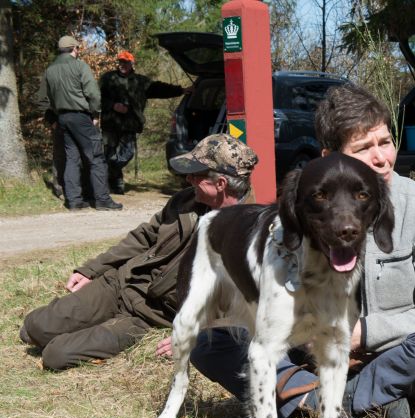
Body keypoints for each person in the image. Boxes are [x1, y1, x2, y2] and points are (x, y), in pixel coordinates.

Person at [183, 84, 415, 418]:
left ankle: (326, 398)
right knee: (210, 341)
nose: (381, 158)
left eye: (385, 142)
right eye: (364, 148)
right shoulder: (304, 210)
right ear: (330, 158)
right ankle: (362, 398)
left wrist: (363, 334)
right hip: (310, 347)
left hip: (393, 352)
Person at [19, 134, 258, 371]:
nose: (188, 179)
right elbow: (143, 237)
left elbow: (247, 309)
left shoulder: (250, 238)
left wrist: (197, 336)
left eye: (196, 175)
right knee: (34, 328)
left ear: (220, 184)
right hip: (121, 285)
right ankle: (59, 324)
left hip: (149, 316)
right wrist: (92, 269)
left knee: (55, 355)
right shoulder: (185, 201)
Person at [36, 35, 122, 211]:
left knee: (71, 159)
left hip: (62, 119)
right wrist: (96, 114)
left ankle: (74, 201)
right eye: (78, 49)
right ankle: (103, 200)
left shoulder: (49, 70)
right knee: (96, 158)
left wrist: (52, 119)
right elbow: (94, 94)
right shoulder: (80, 66)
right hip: (81, 118)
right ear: (74, 49)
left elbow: (40, 99)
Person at [100, 50, 189, 194]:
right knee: (109, 153)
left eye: (126, 62)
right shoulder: (107, 78)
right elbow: (97, 98)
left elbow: (160, 89)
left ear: (132, 64)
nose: (123, 65)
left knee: (127, 154)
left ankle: (110, 173)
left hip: (130, 124)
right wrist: (113, 105)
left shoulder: (140, 81)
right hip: (110, 123)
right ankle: (116, 184)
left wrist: (182, 90)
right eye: (121, 62)